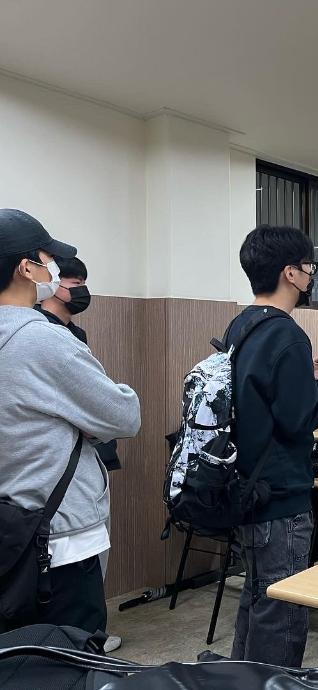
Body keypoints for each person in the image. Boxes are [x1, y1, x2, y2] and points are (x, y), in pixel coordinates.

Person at [0, 209, 141, 635]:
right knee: (69, 658)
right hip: (57, 543)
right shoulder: (42, 339)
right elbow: (123, 415)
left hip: (9, 534)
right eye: (47, 259)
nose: (53, 269)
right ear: (26, 268)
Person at [227, 225, 318, 668]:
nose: (311, 276)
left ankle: (242, 679)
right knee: (282, 610)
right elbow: (303, 420)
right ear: (290, 273)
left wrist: (306, 378)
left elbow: (261, 399)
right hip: (280, 496)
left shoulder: (243, 325)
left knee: (257, 600)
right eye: (308, 267)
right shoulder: (288, 334)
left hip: (247, 486)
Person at [34, 256, 90, 344]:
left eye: (83, 284)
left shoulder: (78, 334)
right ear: (52, 282)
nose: (83, 290)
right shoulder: (35, 327)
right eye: (77, 283)